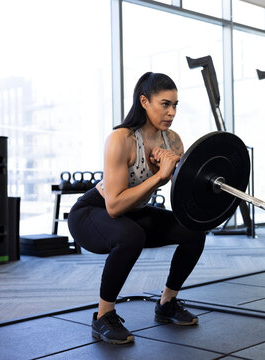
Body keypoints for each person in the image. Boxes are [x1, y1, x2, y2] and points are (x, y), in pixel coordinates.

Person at [67, 72, 206, 344]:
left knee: (193, 231)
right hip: (92, 214)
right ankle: (103, 316)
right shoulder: (121, 139)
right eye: (164, 104)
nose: (172, 112)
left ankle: (167, 302)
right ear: (144, 101)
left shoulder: (173, 141)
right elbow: (115, 205)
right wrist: (158, 176)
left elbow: (184, 195)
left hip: (134, 213)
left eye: (175, 105)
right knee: (130, 235)